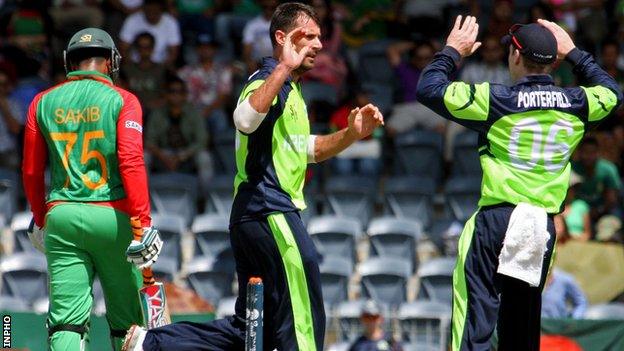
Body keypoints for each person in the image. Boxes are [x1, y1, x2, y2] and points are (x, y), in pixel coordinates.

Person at [122, 3, 384, 350]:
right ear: (281, 38)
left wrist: (351, 134)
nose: (319, 45)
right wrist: (282, 69)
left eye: (320, 37)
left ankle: (151, 343)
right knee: (304, 312)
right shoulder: (265, 79)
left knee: (251, 327)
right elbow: (244, 119)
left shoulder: (291, 91)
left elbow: (309, 150)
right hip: (270, 210)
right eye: (309, 36)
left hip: (253, 215)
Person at [416, 16, 622, 351]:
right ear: (553, 61)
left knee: (475, 321)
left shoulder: (495, 100)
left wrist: (453, 50)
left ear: (514, 55)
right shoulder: (578, 103)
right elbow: (613, 92)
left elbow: (428, 88)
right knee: (522, 326)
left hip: (497, 220)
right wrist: (574, 53)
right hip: (540, 224)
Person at [22, 28, 163, 351]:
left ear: (68, 62)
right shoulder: (124, 100)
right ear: (111, 61)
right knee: (128, 324)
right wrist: (142, 224)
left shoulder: (42, 101)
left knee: (66, 322)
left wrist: (41, 218)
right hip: (113, 218)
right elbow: (130, 162)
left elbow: (31, 170)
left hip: (62, 216)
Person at [145, 76, 213, 189]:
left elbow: (202, 141)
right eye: (172, 91)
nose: (176, 95)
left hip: (187, 156)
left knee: (204, 157)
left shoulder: (194, 113)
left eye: (180, 92)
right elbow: (149, 141)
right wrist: (163, 156)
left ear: (185, 95)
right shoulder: (157, 114)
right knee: (144, 156)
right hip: (163, 155)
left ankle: (204, 200)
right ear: (166, 94)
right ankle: (143, 199)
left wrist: (181, 156)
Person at [177, 33, 232, 135]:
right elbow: (178, 93)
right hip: (190, 109)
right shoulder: (185, 71)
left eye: (209, 47)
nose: (205, 50)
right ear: (197, 50)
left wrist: (207, 110)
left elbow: (224, 96)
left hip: (214, 109)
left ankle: (220, 149)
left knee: (219, 119)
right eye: (202, 47)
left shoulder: (223, 70)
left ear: (215, 50)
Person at [119, 0, 181, 66]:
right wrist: (132, 68)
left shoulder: (170, 22)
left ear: (161, 10)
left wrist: (161, 70)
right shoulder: (132, 19)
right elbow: (123, 48)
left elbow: (173, 52)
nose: (151, 14)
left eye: (155, 11)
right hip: (135, 64)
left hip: (161, 65)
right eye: (148, 11)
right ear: (143, 9)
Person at [121, 32, 166, 114]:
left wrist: (155, 104)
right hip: (131, 111)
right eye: (141, 47)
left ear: (152, 48)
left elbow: (167, 95)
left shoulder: (162, 70)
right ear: (136, 48)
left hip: (156, 113)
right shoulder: (127, 70)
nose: (144, 50)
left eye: (147, 47)